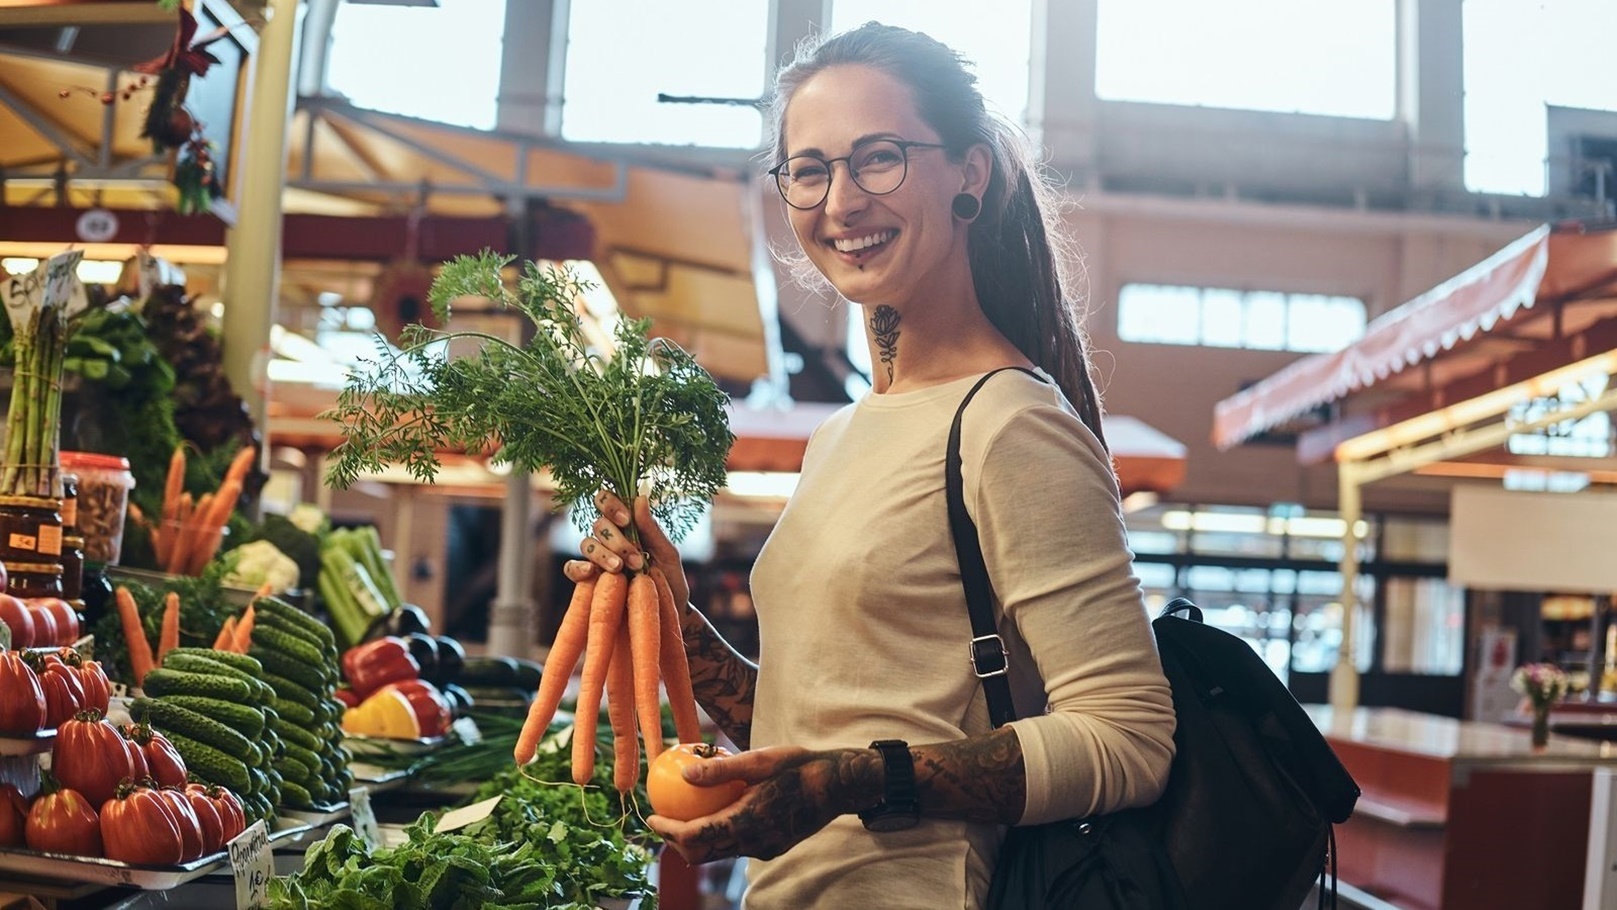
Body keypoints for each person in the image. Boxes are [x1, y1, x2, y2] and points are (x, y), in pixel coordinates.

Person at [566, 22, 1176, 909]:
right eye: (809, 171)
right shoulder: (843, 435)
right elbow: (804, 725)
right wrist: (676, 619)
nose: (839, 201)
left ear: (969, 173)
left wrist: (853, 783)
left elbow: (1130, 741)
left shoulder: (1010, 422)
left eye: (877, 158)